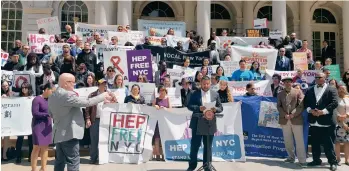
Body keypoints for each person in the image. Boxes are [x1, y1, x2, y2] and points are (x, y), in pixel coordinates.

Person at [48, 73, 115, 171]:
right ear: (66, 83)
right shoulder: (67, 95)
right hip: (69, 134)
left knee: (59, 162)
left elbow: (51, 114)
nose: (74, 85)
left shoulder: (52, 96)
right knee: (73, 162)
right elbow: (87, 103)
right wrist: (103, 96)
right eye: (72, 83)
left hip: (58, 134)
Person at [186, 76, 223, 171]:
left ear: (210, 84)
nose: (206, 86)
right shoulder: (194, 93)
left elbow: (220, 107)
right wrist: (198, 108)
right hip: (197, 122)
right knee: (195, 145)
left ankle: (207, 166)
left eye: (207, 84)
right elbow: (189, 106)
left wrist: (216, 109)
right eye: (204, 84)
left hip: (210, 124)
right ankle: (192, 166)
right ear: (201, 84)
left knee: (208, 146)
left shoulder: (215, 94)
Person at [304, 72, 339, 170]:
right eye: (316, 77)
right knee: (315, 143)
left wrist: (323, 112)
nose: (317, 79)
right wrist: (310, 110)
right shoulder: (310, 89)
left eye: (319, 77)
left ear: (325, 78)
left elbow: (335, 102)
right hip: (314, 121)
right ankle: (316, 160)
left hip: (326, 121)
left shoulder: (332, 89)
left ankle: (332, 162)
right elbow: (306, 103)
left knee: (328, 144)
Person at [277, 77, 307, 167]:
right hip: (285, 119)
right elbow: (279, 106)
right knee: (288, 141)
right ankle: (291, 157)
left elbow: (301, 105)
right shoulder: (280, 94)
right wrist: (284, 115)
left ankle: (302, 160)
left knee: (299, 141)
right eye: (285, 82)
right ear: (283, 83)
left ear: (292, 82)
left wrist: (293, 114)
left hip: (296, 119)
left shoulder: (298, 92)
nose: (287, 83)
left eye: (289, 82)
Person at [30, 83, 55, 171]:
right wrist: (47, 114)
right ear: (47, 89)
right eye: (52, 91)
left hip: (47, 125)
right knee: (36, 147)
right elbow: (35, 113)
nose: (53, 93)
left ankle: (43, 168)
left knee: (45, 148)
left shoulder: (50, 100)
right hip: (38, 125)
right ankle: (33, 169)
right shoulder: (37, 99)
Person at [85, 79, 108, 164]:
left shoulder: (109, 94)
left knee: (104, 140)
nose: (103, 86)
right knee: (94, 140)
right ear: (98, 85)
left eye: (105, 84)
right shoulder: (92, 95)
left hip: (106, 121)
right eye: (102, 84)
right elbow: (87, 108)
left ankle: (102, 158)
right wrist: (88, 119)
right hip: (95, 120)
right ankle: (93, 158)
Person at [15, 82, 34, 164]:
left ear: (29, 88)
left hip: (30, 121)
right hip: (21, 122)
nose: (23, 89)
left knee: (31, 140)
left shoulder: (33, 98)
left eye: (25, 87)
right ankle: (18, 156)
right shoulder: (18, 98)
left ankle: (31, 156)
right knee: (19, 140)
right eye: (22, 87)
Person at [152, 85, 171, 161]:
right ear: (159, 91)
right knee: (157, 138)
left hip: (165, 122)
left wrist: (165, 108)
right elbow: (151, 109)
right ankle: (157, 154)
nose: (162, 91)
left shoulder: (168, 99)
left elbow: (170, 109)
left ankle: (163, 154)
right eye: (161, 90)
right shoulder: (156, 99)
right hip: (157, 121)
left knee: (164, 137)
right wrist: (155, 106)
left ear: (165, 91)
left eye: (163, 90)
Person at [334, 85, 349, 166]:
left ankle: (347, 159)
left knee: (348, 142)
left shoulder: (348, 98)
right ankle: (338, 159)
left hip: (348, 122)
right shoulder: (335, 99)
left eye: (343, 89)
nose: (341, 90)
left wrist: (346, 115)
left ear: (346, 89)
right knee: (338, 142)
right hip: (338, 123)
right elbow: (335, 111)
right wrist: (342, 121)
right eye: (340, 89)